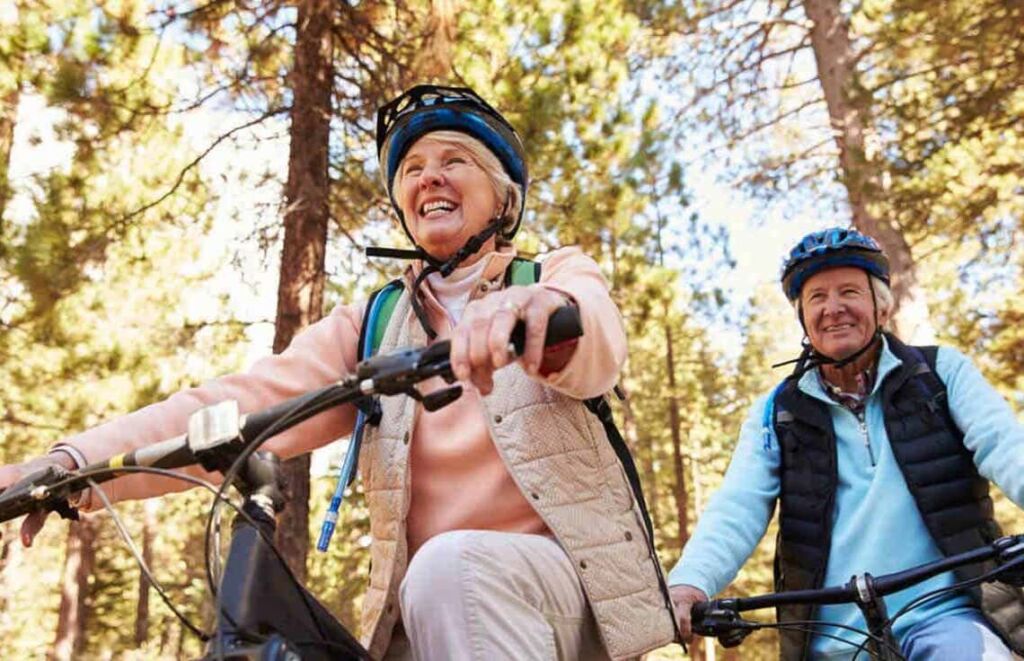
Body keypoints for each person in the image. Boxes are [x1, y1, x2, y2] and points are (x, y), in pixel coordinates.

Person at [0, 85, 676, 660]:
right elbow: (238, 400)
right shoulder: (378, 324)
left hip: (565, 601)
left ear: (504, 201)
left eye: (454, 159)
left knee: (452, 565)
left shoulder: (549, 275)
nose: (428, 176)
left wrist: (543, 314)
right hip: (434, 619)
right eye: (411, 167)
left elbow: (595, 335)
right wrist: (73, 464)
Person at [668, 227, 1024, 659]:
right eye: (817, 298)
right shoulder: (778, 411)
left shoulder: (939, 373)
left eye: (849, 292)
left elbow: (1005, 446)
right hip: (832, 640)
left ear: (882, 307)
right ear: (803, 317)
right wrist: (690, 582)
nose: (833, 309)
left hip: (946, 617)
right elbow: (737, 506)